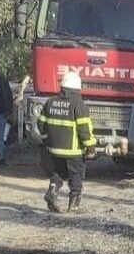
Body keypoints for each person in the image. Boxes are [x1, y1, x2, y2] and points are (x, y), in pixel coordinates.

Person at [37, 72, 95, 213]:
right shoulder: (79, 105)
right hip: (73, 151)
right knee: (77, 175)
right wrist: (90, 148)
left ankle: (51, 193)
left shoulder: (50, 102)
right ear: (77, 87)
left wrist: (47, 139)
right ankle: (74, 205)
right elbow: (84, 130)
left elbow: (40, 124)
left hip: (54, 149)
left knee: (59, 172)